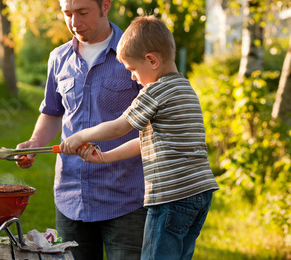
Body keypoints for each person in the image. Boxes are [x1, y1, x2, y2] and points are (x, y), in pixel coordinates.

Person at [61, 15, 220, 260]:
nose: (133, 77)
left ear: (152, 60)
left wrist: (79, 135)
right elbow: (144, 141)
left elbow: (118, 127)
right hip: (199, 194)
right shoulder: (184, 88)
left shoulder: (154, 91)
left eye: (133, 70)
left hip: (171, 196)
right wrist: (105, 157)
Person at [16, 0, 146, 260]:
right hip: (71, 198)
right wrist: (34, 143)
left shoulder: (136, 55)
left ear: (105, 6)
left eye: (83, 12)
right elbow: (52, 112)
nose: (74, 22)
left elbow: (153, 123)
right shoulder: (58, 58)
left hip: (125, 199)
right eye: (67, 13)